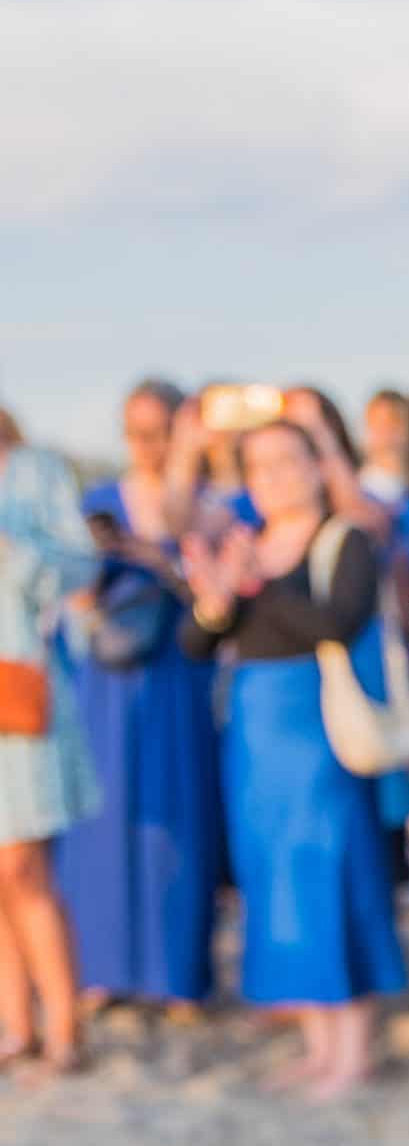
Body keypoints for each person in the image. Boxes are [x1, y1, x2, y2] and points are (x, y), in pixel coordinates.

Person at [180, 422, 406, 1097]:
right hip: (254, 729)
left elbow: (337, 624)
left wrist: (259, 587)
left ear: (315, 466)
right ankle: (316, 1042)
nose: (275, 476)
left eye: (287, 460)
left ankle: (353, 1052)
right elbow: (196, 642)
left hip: (319, 725)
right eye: (260, 466)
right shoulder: (243, 542)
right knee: (273, 876)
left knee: (333, 869)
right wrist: (218, 599)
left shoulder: (344, 540)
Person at [55, 379, 227, 1011]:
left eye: (157, 432)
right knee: (101, 821)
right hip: (106, 680)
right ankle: (101, 968)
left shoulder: (208, 502)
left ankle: (176, 973)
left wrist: (148, 552)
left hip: (177, 675)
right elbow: (75, 598)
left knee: (177, 818)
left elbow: (210, 590)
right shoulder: (98, 499)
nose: (144, 445)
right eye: (134, 432)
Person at [0, 408, 100, 1078]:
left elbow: (82, 567)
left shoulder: (37, 471)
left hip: (18, 682)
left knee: (22, 865)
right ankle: (17, 1023)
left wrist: (13, 550)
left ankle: (64, 1025)